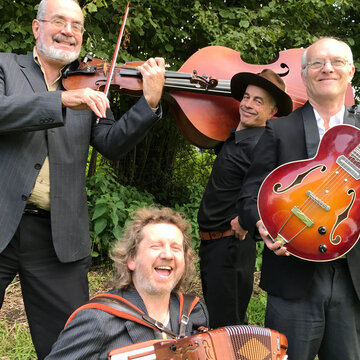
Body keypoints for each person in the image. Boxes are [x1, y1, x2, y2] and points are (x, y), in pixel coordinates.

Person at [0, 0, 166, 358]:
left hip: (56, 235)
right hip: (0, 221)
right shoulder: (5, 66)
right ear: (35, 27)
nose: (68, 31)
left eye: (76, 25)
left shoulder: (91, 83)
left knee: (71, 344)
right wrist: (61, 99)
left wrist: (149, 104)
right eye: (59, 21)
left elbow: (112, 143)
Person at [238, 37, 360, 359]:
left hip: (352, 278)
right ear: (305, 75)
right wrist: (261, 225)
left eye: (336, 62)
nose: (327, 69)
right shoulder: (279, 131)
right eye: (317, 63)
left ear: (350, 73)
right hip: (292, 276)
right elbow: (249, 195)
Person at [45, 206, 209, 359]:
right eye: (156, 246)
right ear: (132, 259)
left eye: (175, 248)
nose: (167, 254)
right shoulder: (98, 320)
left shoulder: (195, 311)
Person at [197, 69, 293, 328]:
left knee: (228, 328)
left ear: (272, 112)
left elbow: (274, 191)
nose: (248, 104)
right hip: (212, 247)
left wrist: (247, 220)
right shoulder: (237, 137)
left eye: (258, 101)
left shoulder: (264, 144)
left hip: (230, 247)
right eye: (247, 97)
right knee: (221, 321)